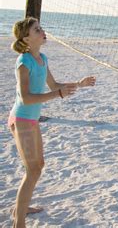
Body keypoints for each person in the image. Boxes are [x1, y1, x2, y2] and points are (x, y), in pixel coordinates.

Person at [9, 17, 96, 228]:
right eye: (36, 30)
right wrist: (57, 95)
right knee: (32, 170)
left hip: (32, 119)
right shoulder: (24, 62)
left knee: (38, 166)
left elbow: (54, 84)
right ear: (27, 38)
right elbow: (26, 98)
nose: (42, 31)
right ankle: (18, 221)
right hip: (21, 118)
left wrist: (79, 84)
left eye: (40, 28)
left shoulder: (43, 58)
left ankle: (21, 206)